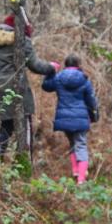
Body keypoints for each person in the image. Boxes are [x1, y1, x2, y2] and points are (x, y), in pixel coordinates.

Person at [0, 14, 55, 155]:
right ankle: (25, 157)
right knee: (24, 121)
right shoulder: (21, 41)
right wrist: (51, 67)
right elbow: (35, 66)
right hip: (15, 86)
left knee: (6, 123)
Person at [41, 54, 99, 184]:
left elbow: (46, 86)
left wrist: (50, 72)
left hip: (64, 119)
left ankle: (76, 171)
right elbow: (91, 100)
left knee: (73, 143)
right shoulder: (84, 80)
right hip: (81, 119)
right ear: (78, 64)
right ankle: (81, 180)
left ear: (66, 64)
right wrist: (94, 113)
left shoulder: (59, 78)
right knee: (81, 145)